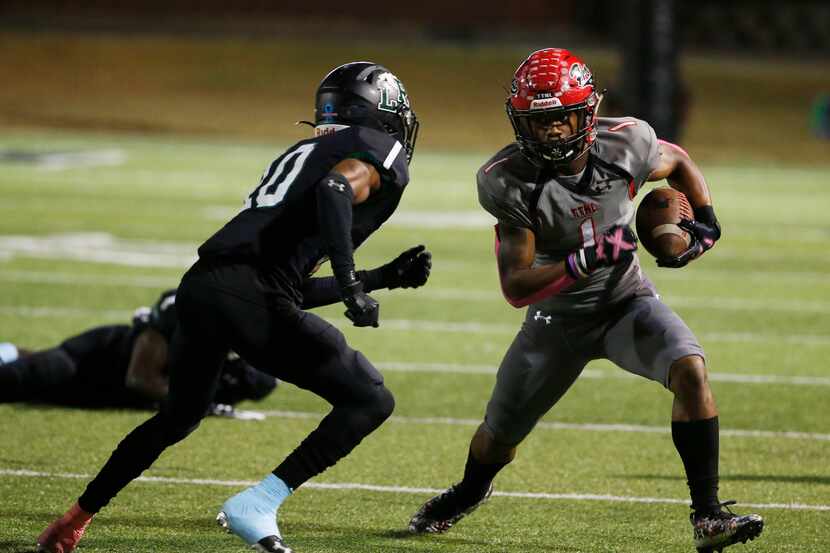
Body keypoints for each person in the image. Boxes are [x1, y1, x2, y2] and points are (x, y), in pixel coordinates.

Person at [37, 61, 430, 553]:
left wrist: (381, 278)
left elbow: (288, 287)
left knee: (177, 418)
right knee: (371, 399)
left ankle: (74, 519)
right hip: (249, 292)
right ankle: (258, 504)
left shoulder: (304, 151)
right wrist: (352, 284)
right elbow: (335, 190)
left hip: (203, 289)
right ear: (380, 113)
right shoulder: (377, 150)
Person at [407, 48, 763, 553]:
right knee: (498, 437)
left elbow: (678, 160)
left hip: (626, 301)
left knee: (690, 368)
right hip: (557, 321)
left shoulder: (628, 141)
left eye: (559, 119)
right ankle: (469, 490)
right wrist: (586, 259)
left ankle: (707, 516)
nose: (550, 132)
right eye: (538, 122)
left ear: (587, 112)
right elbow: (516, 285)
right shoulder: (507, 179)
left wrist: (705, 220)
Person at [0, 289, 278, 416]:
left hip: (99, 394)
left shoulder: (239, 375)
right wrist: (200, 406)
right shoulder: (183, 314)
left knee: (34, 384)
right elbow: (140, 378)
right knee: (17, 381)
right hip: (86, 361)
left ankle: (8, 351)